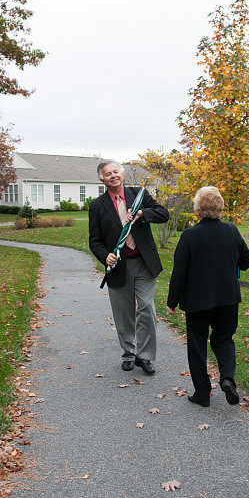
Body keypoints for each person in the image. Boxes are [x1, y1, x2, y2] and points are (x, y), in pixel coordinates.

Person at [166, 186, 249, 407]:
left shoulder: (189, 235)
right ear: (220, 209)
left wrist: (172, 301)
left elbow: (179, 271)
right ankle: (227, 378)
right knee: (223, 339)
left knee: (197, 345)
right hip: (228, 298)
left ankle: (202, 394)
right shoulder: (232, 231)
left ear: (198, 211)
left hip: (198, 301)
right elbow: (246, 260)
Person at [89, 160, 169, 375]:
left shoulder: (140, 194)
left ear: (122, 174)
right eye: (108, 174)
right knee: (125, 314)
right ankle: (128, 353)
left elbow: (163, 213)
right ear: (102, 179)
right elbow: (94, 240)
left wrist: (143, 214)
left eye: (116, 171)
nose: (113, 175)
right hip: (119, 267)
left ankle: (145, 356)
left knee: (146, 307)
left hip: (144, 262)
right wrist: (105, 256)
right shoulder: (97, 206)